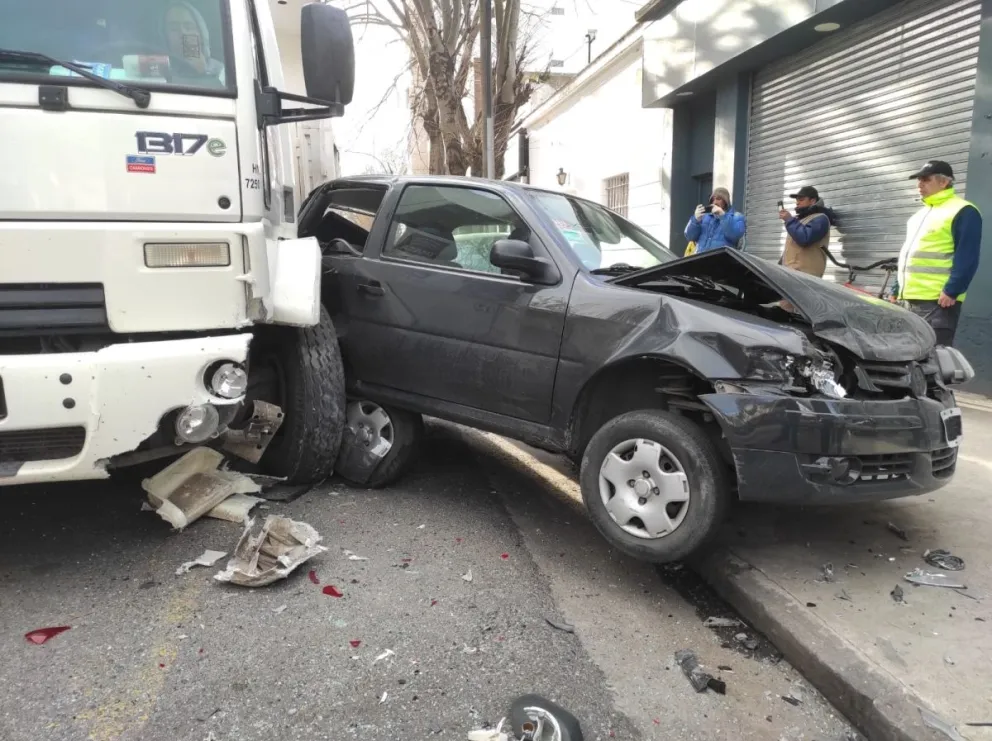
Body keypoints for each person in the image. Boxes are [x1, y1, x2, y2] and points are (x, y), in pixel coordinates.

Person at [893, 160, 982, 346]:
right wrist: (896, 289)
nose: (919, 184)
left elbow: (968, 255)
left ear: (944, 182)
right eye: (918, 180)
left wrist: (952, 290)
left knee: (933, 358)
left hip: (937, 301)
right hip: (907, 299)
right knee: (906, 356)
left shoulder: (963, 211)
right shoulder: (918, 216)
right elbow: (907, 256)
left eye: (925, 179)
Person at [777, 185, 838, 277]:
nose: (797, 203)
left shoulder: (821, 218)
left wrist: (789, 220)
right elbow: (791, 249)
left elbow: (804, 238)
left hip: (806, 276)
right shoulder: (800, 220)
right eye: (797, 200)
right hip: (792, 274)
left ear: (812, 201)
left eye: (801, 200)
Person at [162, 1, 225, 85]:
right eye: (174, 28)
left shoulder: (221, 71)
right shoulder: (160, 69)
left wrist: (203, 74)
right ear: (165, 35)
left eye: (189, 27)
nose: (183, 32)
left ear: (201, 33)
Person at [684, 187, 746, 254]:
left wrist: (723, 216)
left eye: (718, 199)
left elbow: (734, 236)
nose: (715, 202)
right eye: (712, 199)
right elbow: (690, 237)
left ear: (725, 201)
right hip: (700, 259)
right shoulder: (705, 216)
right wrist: (695, 220)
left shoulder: (737, 217)